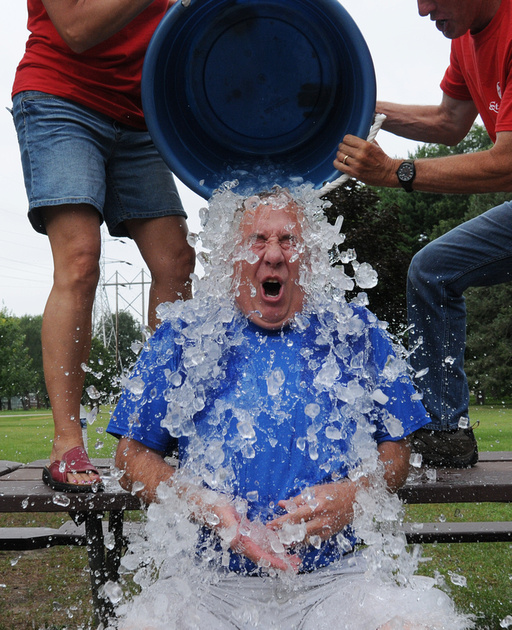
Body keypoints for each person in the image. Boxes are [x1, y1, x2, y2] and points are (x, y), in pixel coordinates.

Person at [106, 187, 472, 629]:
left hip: (335, 581)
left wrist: (355, 495)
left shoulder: (355, 332)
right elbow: (129, 460)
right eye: (258, 240)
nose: (274, 255)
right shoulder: (185, 336)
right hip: (207, 583)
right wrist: (201, 502)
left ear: (311, 256)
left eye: (290, 240)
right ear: (231, 255)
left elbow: (395, 455)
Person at [11, 0, 195, 492]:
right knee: (80, 259)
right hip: (60, 98)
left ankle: (155, 434)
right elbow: (76, 27)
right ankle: (67, 442)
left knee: (176, 262)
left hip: (140, 116)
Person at [333, 0, 512, 468]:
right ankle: (445, 429)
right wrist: (352, 106)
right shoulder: (465, 37)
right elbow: (449, 124)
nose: (422, 9)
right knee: (432, 270)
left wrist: (397, 171)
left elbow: (508, 161)